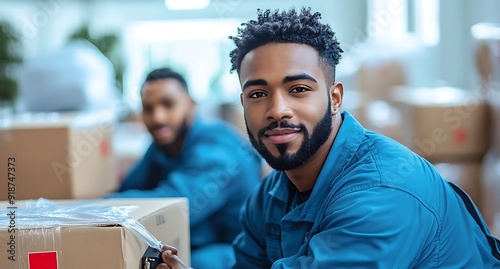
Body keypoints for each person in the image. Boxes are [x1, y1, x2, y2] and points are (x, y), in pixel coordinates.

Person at [156, 7, 500, 269]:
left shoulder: (383, 192)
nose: (277, 110)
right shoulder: (269, 196)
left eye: (299, 89)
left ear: (335, 98)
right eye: (258, 94)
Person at [107, 67, 262, 269]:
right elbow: (128, 190)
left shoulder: (216, 150)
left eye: (168, 104)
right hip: (196, 239)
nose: (158, 117)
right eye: (148, 108)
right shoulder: (164, 145)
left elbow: (171, 205)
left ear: (191, 105)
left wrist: (87, 207)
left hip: (233, 251)